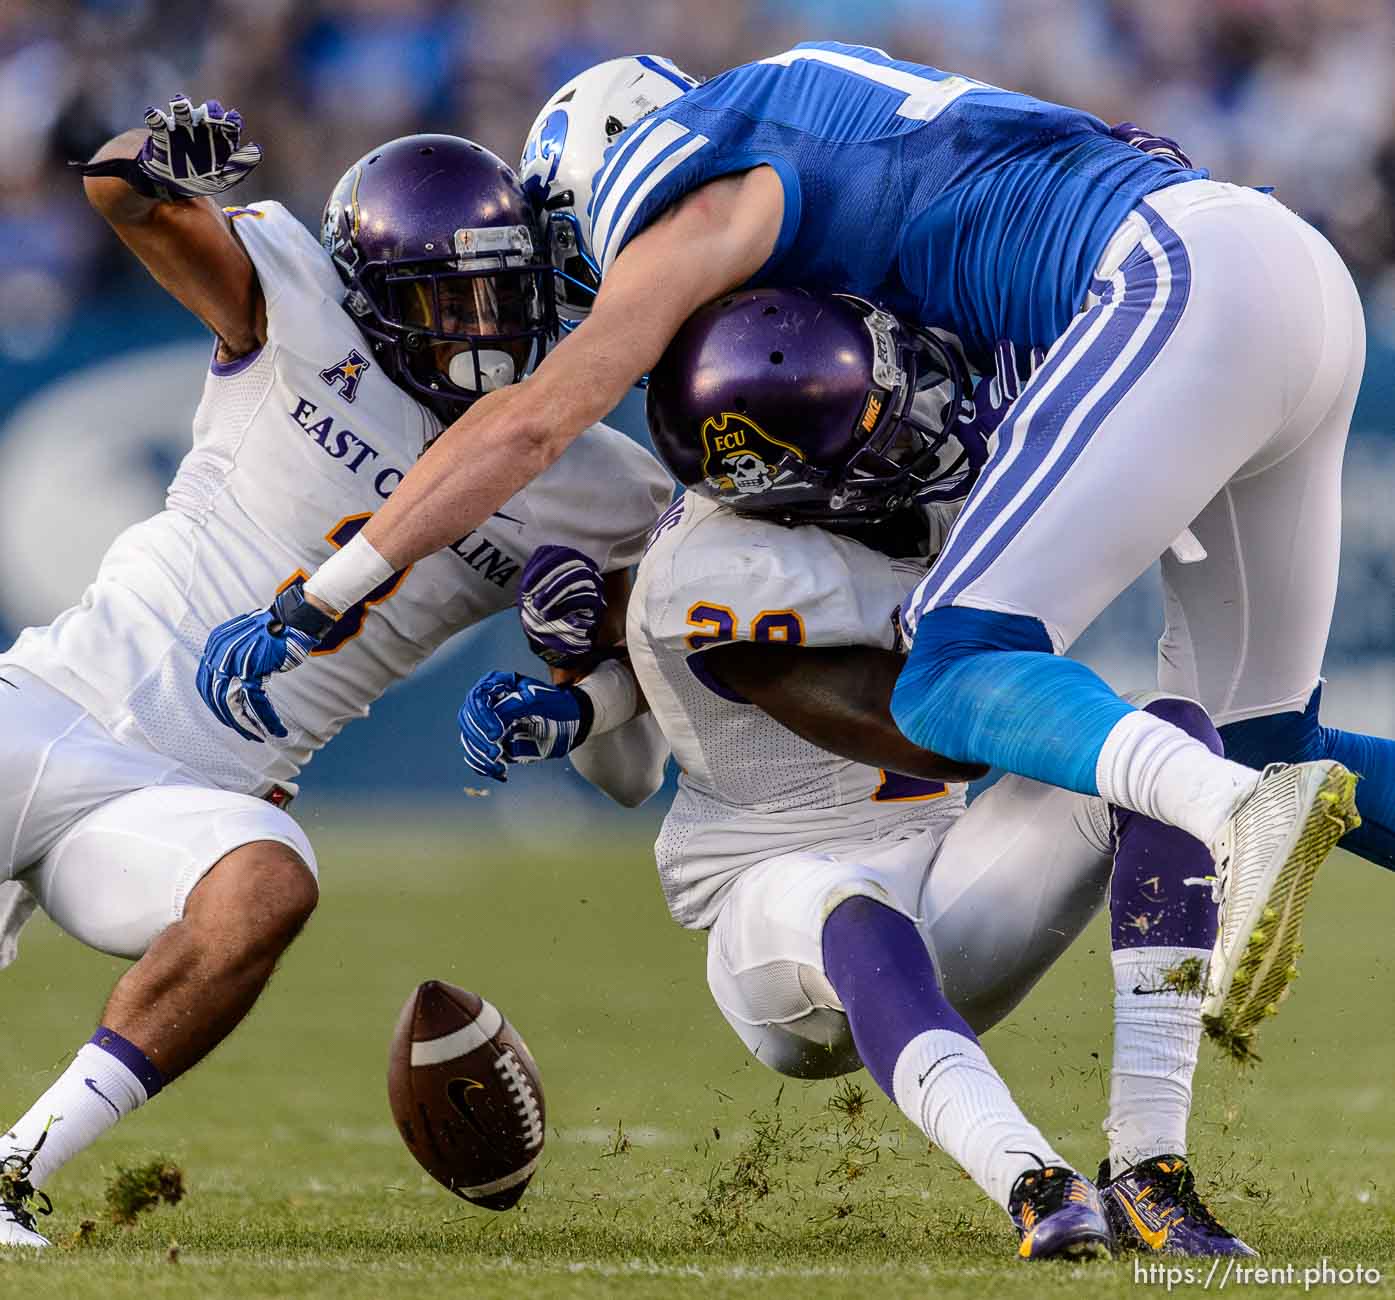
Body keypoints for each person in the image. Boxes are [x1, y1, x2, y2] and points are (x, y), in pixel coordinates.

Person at [195, 47, 1376, 1050]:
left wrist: (333, 587)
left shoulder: (688, 170)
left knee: (959, 664)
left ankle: (1222, 807)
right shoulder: (823, 105)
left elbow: (541, 415)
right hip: (1277, 265)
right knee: (1281, 741)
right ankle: (1246, 789)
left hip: (1176, 286)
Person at [458, 289, 1258, 1259]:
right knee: (849, 905)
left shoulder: (870, 492)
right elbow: (943, 735)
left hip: (958, 872)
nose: (916, 428)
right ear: (786, 487)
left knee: (1168, 744)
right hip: (778, 920)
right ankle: (1030, 1179)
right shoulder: (719, 572)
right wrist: (581, 686)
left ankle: (1150, 1171)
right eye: (873, 431)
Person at [0, 97, 670, 1249]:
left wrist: (571, 682)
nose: (480, 328)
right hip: (48, 703)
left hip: (183, 801)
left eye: (499, 294)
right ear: (364, 293)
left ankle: (16, 1164)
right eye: (442, 301)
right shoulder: (296, 302)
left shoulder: (601, 487)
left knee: (271, 881)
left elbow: (628, 768)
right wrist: (157, 153)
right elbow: (121, 194)